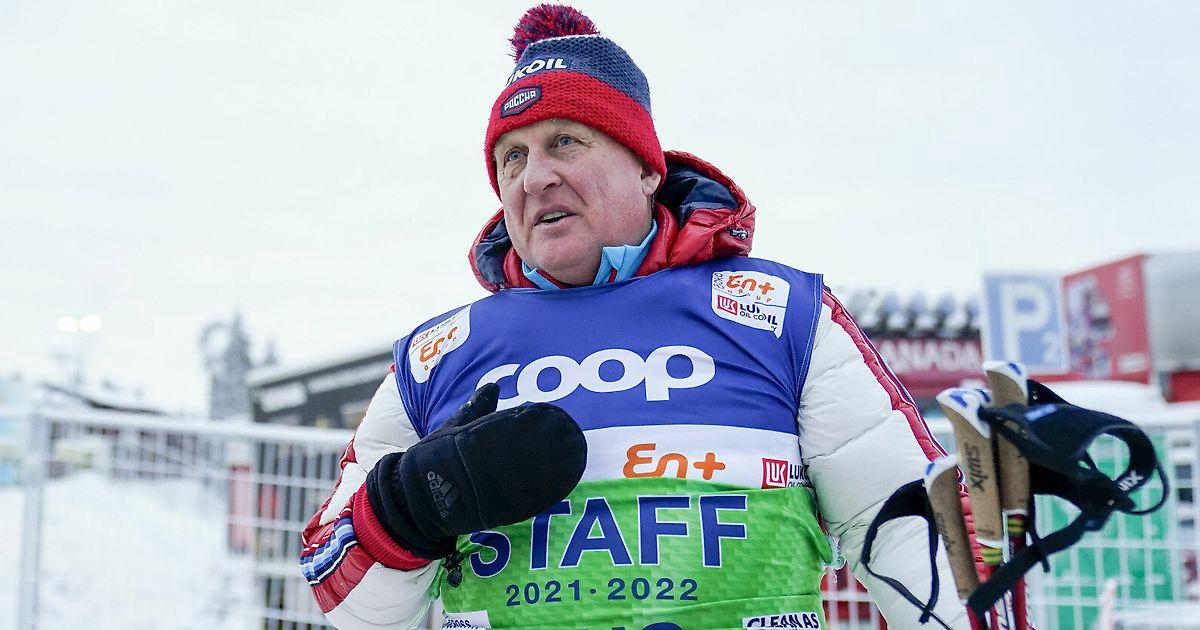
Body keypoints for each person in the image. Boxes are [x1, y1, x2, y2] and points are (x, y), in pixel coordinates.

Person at [300, 5, 970, 629]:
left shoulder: (779, 315)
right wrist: (406, 512)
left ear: (647, 169)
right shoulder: (437, 356)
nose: (534, 178)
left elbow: (906, 523)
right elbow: (343, 598)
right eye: (513, 157)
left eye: (565, 142)